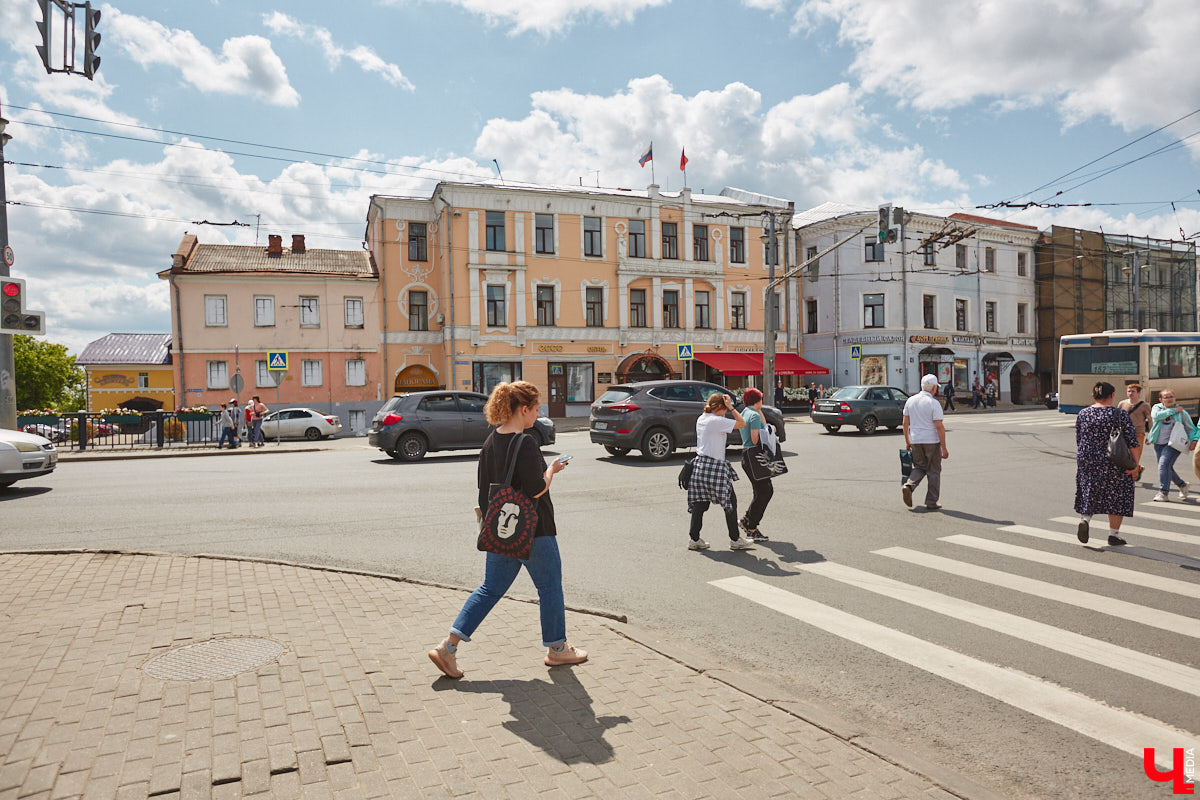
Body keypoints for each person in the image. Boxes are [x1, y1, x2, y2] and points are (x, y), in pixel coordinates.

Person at [428, 381, 586, 679]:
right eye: (536, 409)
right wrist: (552, 469)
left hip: (501, 531)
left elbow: (482, 491)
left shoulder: (490, 442)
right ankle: (557, 650)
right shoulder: (525, 442)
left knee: (489, 589)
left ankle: (447, 648)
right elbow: (537, 489)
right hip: (534, 530)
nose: (536, 416)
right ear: (523, 409)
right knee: (550, 587)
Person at [1075, 381, 1141, 546]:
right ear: (1112, 396)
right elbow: (1133, 442)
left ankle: (1085, 519)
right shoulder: (1119, 414)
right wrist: (1135, 465)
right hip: (1114, 461)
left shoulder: (1083, 413)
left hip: (1088, 459)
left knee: (1091, 490)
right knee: (1118, 495)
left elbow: (1079, 438)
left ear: (1093, 396)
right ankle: (1114, 534)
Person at [687, 392, 754, 551]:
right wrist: (731, 407)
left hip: (699, 466)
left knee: (700, 504)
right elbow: (742, 423)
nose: (726, 412)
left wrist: (726, 407)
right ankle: (735, 539)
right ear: (720, 407)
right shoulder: (718, 421)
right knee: (730, 503)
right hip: (715, 467)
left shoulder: (702, 418)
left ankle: (694, 539)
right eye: (725, 409)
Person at [902, 375, 949, 510]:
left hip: (916, 440)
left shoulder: (910, 401)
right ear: (934, 388)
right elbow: (939, 426)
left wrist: (908, 441)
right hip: (931, 441)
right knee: (934, 470)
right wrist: (944, 448)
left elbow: (905, 423)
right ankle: (931, 501)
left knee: (919, 466)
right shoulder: (933, 403)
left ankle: (909, 485)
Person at [1148, 388, 1197, 502]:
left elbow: (1190, 428)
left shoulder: (1182, 413)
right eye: (1166, 397)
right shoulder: (1157, 408)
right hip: (1158, 443)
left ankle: (1163, 492)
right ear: (1161, 399)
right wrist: (1174, 410)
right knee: (1166, 467)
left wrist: (1193, 441)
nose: (1169, 399)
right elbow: (1156, 416)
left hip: (1174, 444)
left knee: (1163, 465)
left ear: (1175, 398)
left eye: (1171, 397)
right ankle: (1182, 485)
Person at [737, 388, 773, 542]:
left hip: (747, 456)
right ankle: (751, 528)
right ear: (757, 400)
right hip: (754, 456)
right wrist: (770, 430)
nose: (762, 402)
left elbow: (761, 423)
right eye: (761, 399)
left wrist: (760, 413)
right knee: (765, 491)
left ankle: (747, 520)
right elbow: (755, 439)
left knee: (760, 491)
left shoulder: (746, 412)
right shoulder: (754, 416)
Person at [1117, 383, 1150, 481]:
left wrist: (1151, 435)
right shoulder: (1122, 404)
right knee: (1124, 456)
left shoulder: (1145, 405)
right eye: (1129, 391)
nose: (1130, 393)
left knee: (1135, 456)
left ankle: (1133, 479)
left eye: (1133, 391)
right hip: (1124, 433)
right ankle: (1138, 469)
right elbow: (1117, 418)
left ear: (1138, 393)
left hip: (1138, 433)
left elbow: (1150, 420)